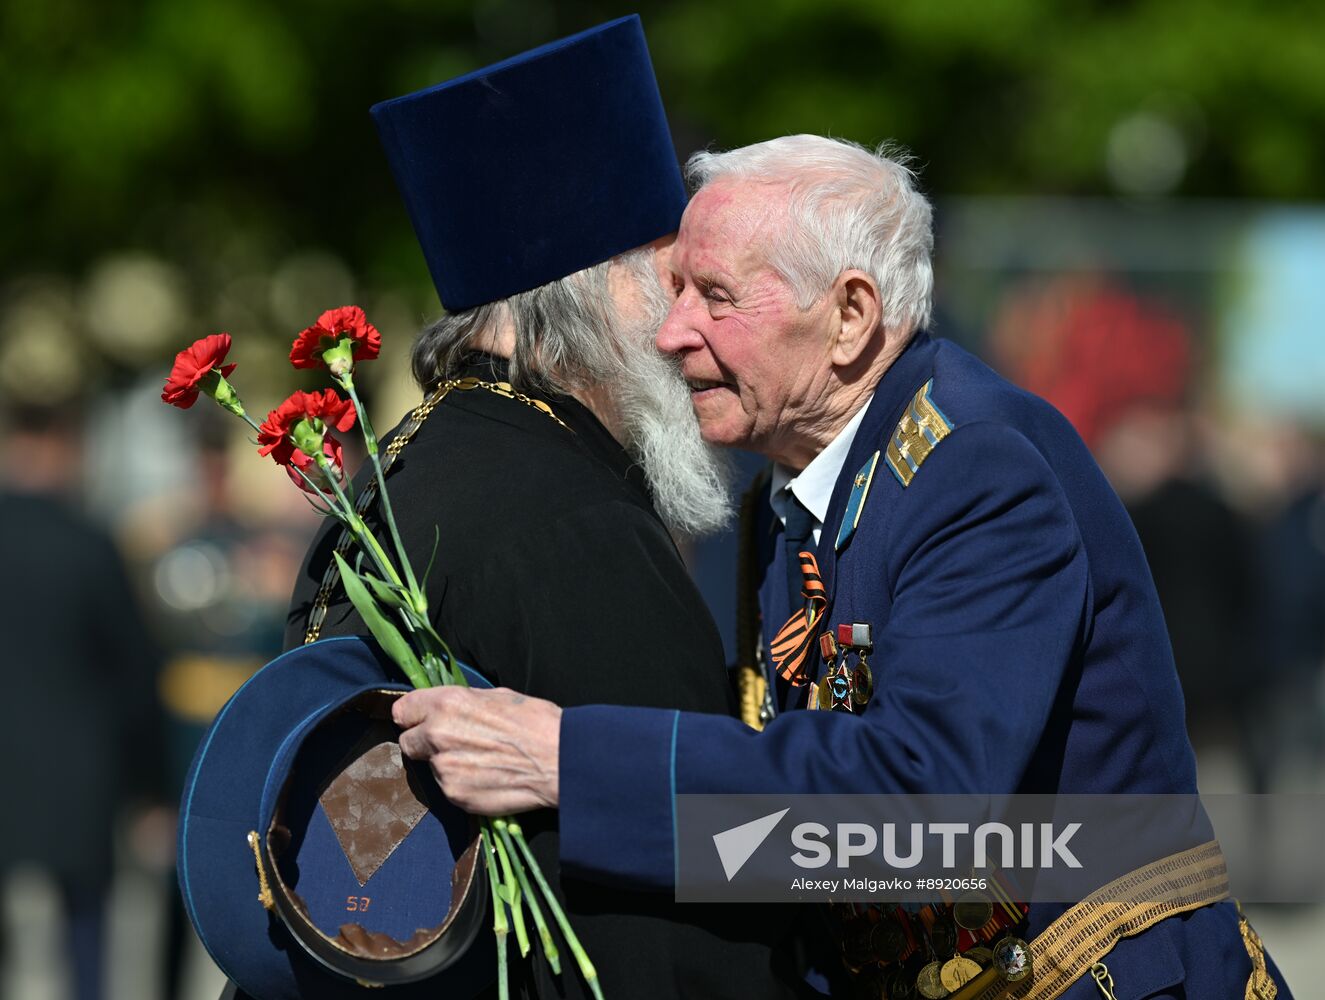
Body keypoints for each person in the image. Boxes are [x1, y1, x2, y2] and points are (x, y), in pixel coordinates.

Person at [393, 135, 1292, 998]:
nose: (671, 334)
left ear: (851, 317)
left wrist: (567, 762)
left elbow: (913, 816)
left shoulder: (974, 466)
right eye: (673, 291)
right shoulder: (783, 490)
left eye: (714, 295)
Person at [254, 17, 810, 1000]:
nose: (688, 331)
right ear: (592, 293)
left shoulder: (416, 461)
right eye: (670, 281)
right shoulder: (572, 528)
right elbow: (684, 894)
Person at [0, 401, 162, 1000]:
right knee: (86, 940)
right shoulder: (90, 544)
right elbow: (136, 670)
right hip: (80, 774)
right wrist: (151, 786)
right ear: (63, 447)